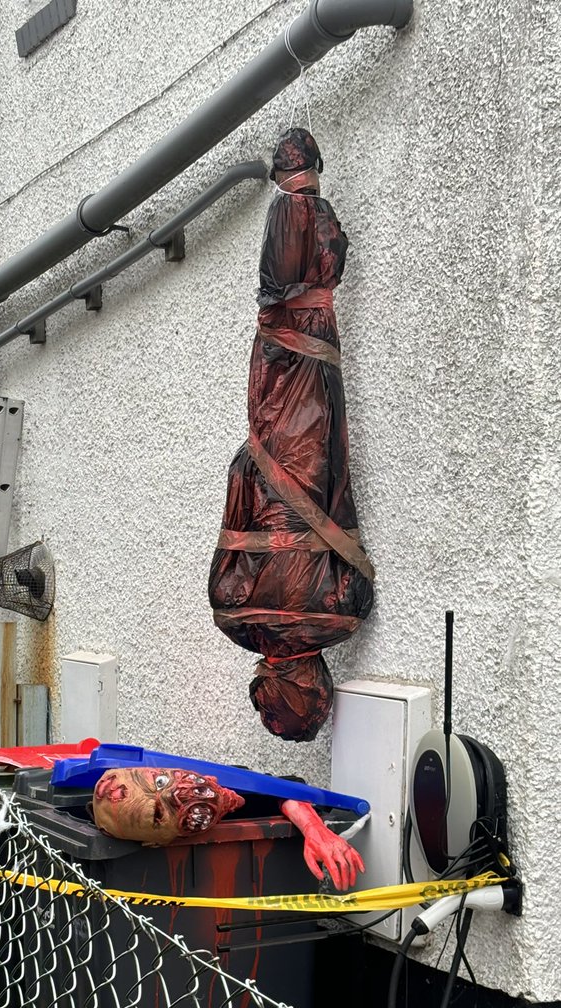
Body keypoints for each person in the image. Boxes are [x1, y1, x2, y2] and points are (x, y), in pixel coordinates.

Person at [209, 128, 374, 742]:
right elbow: (235, 493)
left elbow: (343, 518)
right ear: (267, 685)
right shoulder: (231, 616)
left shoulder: (345, 614)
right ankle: (299, 194)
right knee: (278, 324)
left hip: (318, 439)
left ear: (317, 686)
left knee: (308, 328)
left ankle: (307, 201)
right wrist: (256, 460)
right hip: (273, 435)